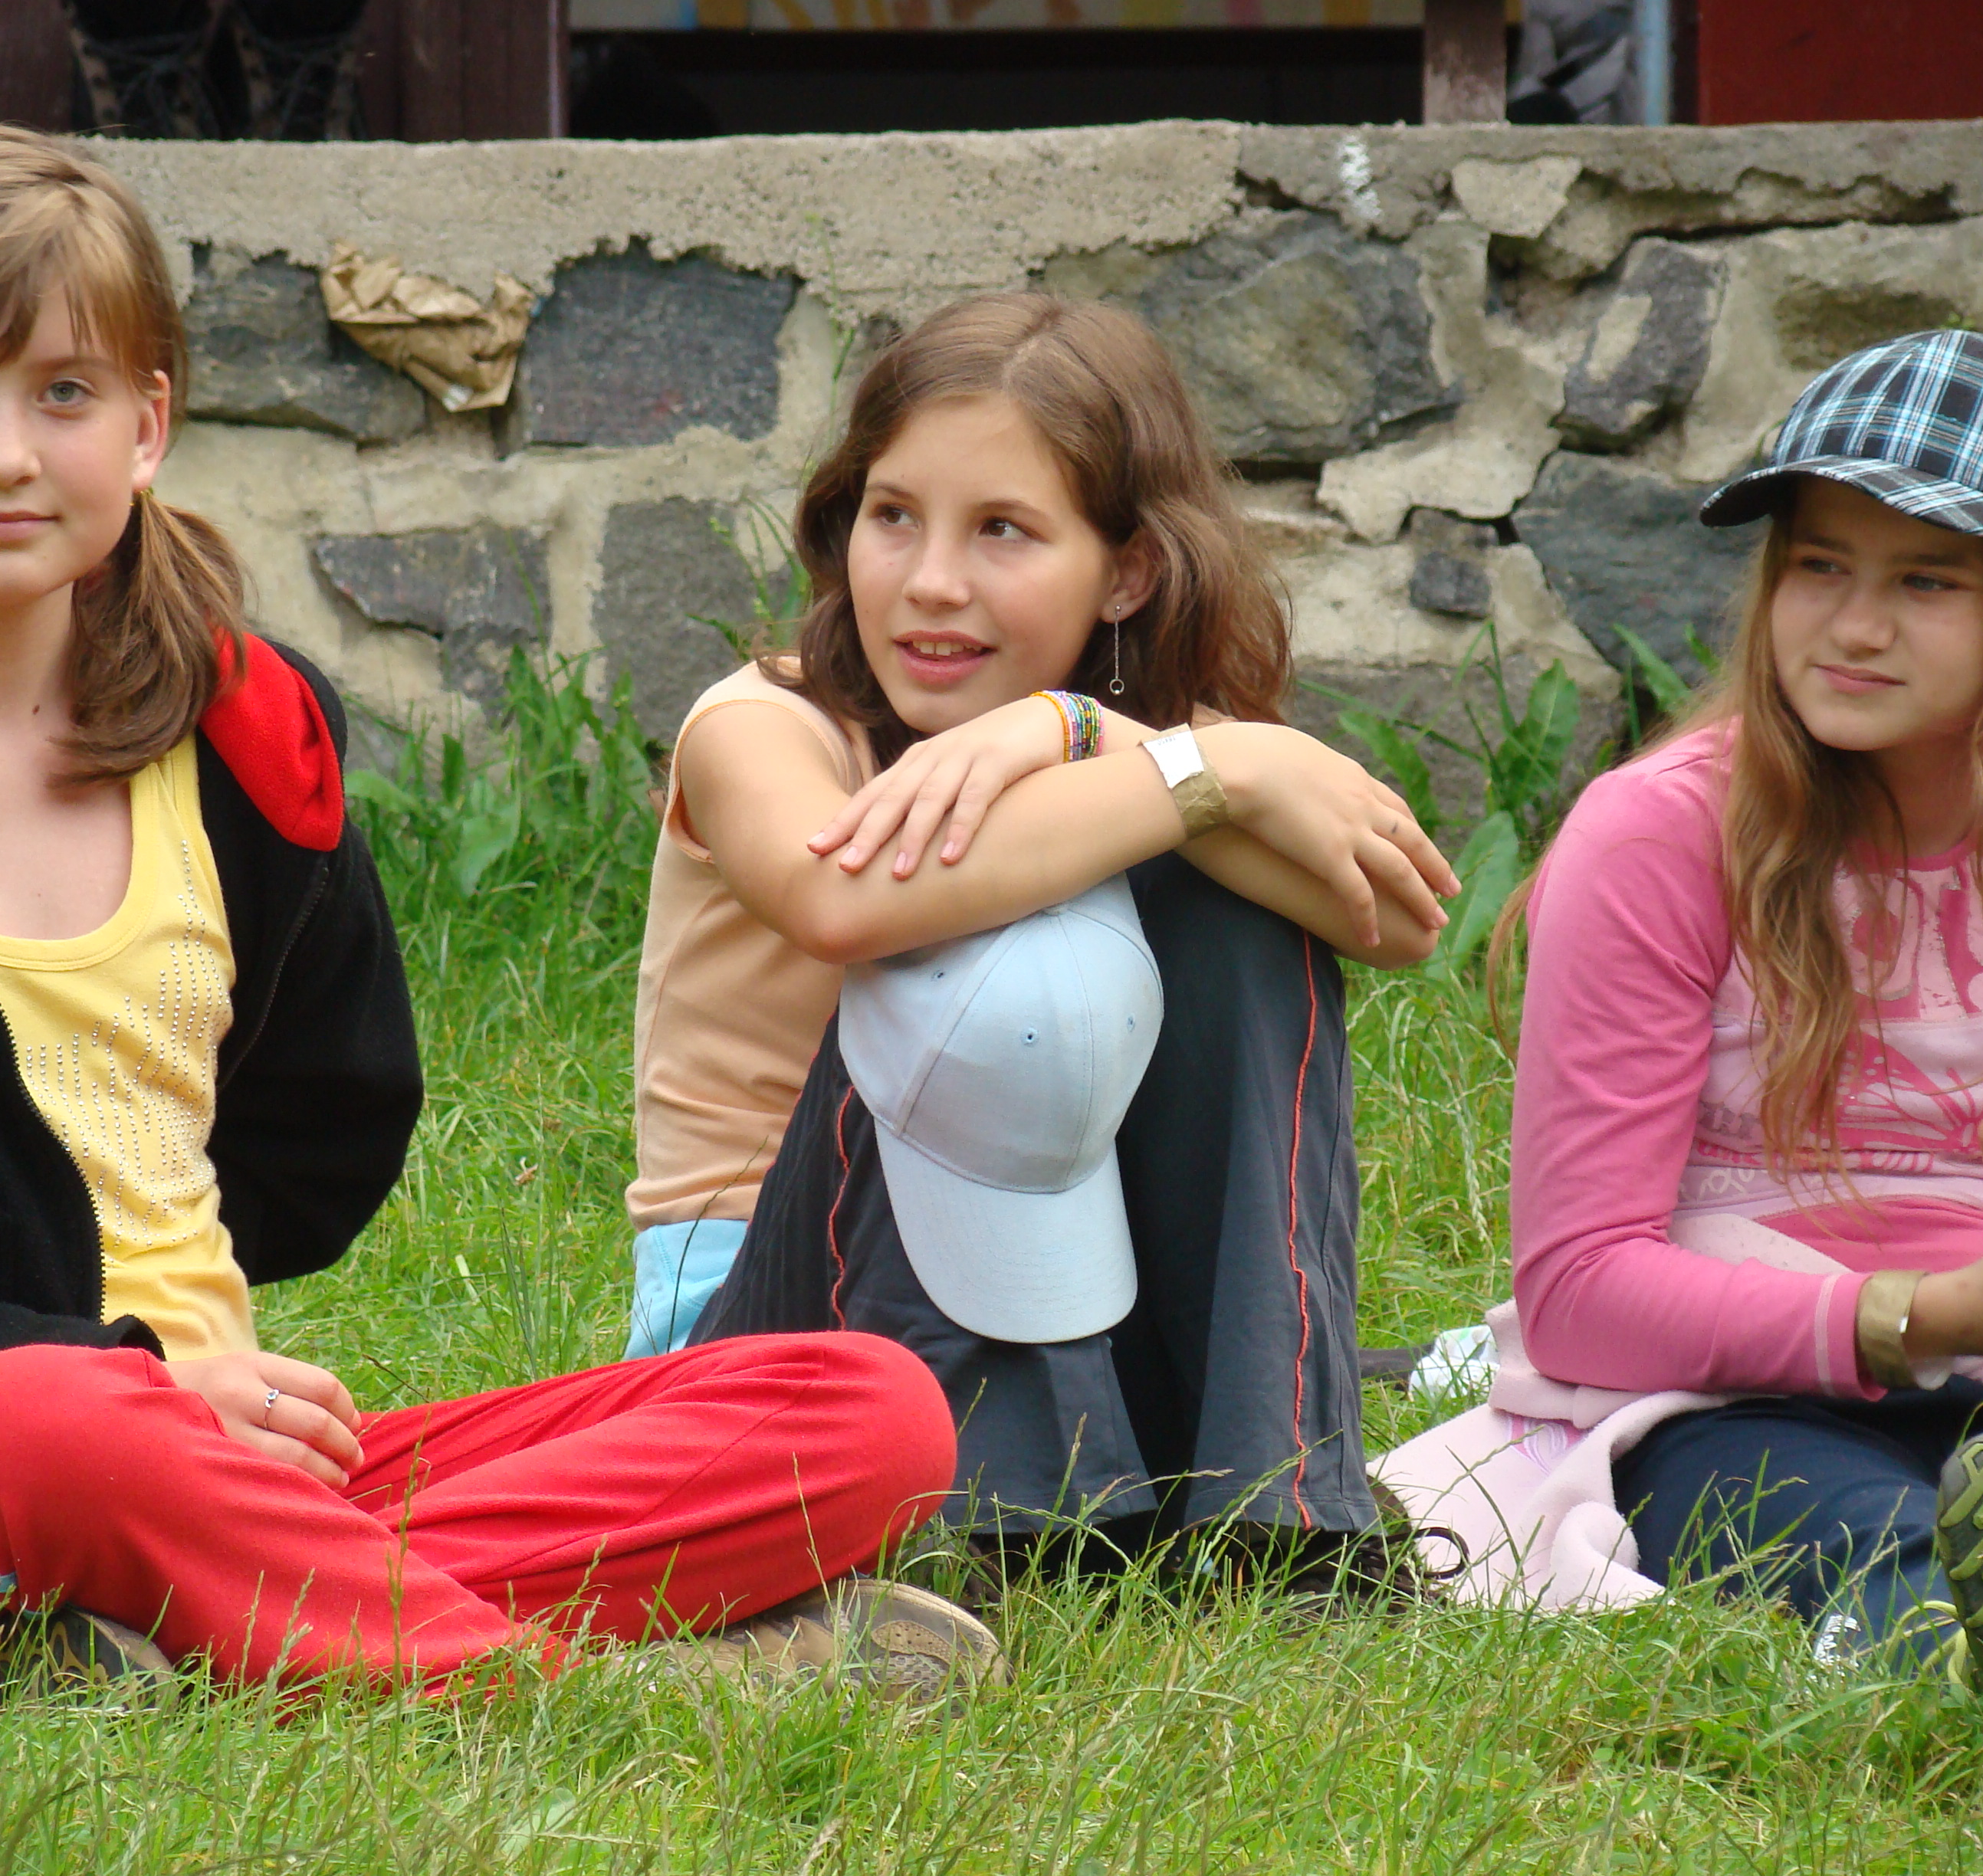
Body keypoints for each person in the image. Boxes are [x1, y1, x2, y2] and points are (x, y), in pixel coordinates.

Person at [0, 123, 996, 1699]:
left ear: (148, 425)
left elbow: (326, 1131)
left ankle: (188, 1618)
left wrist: (203, 1395)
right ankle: (578, 1686)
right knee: (66, 1426)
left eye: (64, 394)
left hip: (237, 1451)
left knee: (870, 1407)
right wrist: (123, 1375)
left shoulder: (247, 735)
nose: (3, 454)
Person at [625, 292, 1459, 1577]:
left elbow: (1394, 920)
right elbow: (843, 900)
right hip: (766, 1352)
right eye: (893, 516)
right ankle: (988, 1529)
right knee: (995, 937)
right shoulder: (761, 726)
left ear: (1127, 570)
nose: (931, 581)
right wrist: (1211, 774)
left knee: (1236, 910)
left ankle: (1270, 1507)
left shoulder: (1145, 744)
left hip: (1064, 1283)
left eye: (1002, 530)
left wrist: (1088, 729)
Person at [1381, 330, 1983, 1706]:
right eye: (1819, 565)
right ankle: (1950, 1642)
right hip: (1728, 1393)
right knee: (1817, 1512)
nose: (1854, 626)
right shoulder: (1662, 833)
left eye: (1926, 580)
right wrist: (1922, 1315)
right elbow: (1579, 1295)